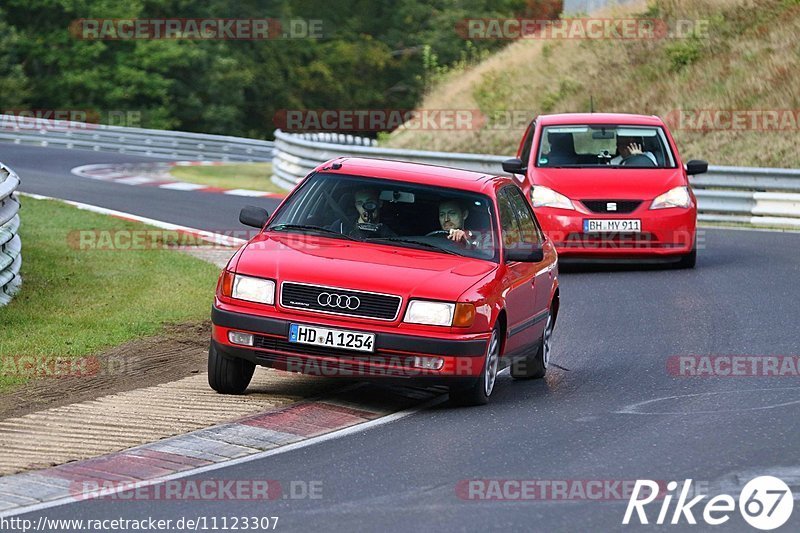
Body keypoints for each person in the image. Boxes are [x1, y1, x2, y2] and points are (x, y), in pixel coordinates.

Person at [328, 188, 396, 238]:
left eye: (370, 202)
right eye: (360, 203)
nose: (365, 208)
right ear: (355, 206)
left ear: (380, 203)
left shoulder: (389, 233)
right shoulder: (341, 226)